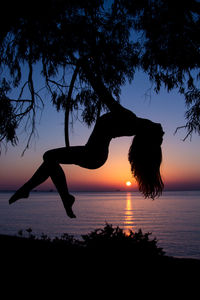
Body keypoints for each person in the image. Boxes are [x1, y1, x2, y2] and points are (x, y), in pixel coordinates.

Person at [9, 98, 164, 218]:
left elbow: (105, 96)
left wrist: (89, 71)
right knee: (50, 159)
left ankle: (46, 193)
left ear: (148, 128)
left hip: (93, 155)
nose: (157, 125)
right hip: (93, 154)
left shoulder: (128, 119)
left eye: (156, 126)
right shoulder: (131, 124)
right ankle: (41, 192)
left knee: (49, 156)